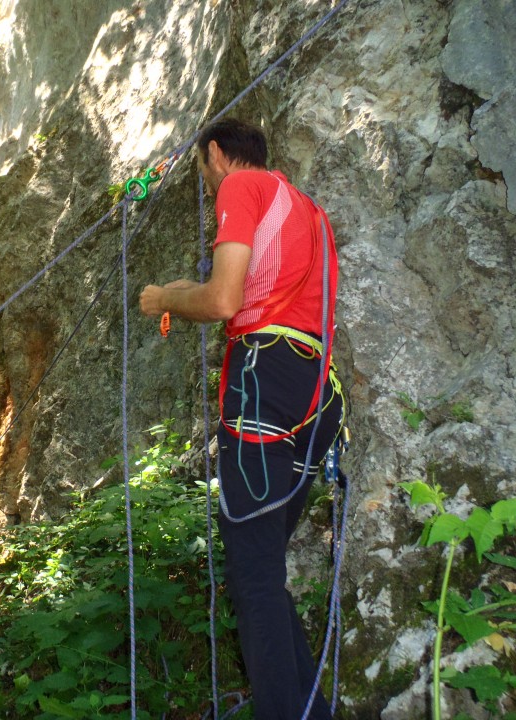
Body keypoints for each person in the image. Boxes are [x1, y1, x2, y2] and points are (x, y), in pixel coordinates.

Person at [139, 118, 346, 720]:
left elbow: (224, 299)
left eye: (204, 172)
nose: (208, 186)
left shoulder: (240, 187)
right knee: (263, 566)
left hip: (265, 382)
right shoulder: (307, 207)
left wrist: (168, 296)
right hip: (317, 394)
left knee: (253, 577)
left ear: (216, 156)